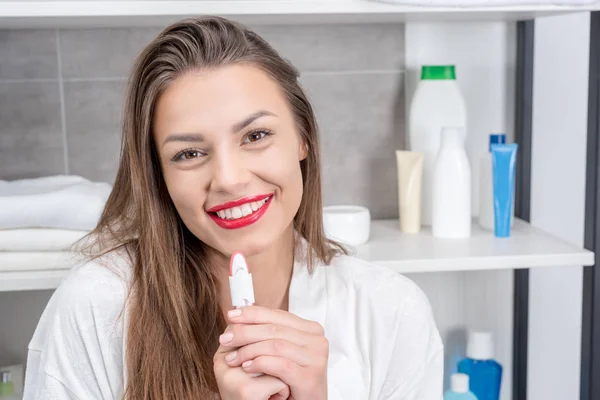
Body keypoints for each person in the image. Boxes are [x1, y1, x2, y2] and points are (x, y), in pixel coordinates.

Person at [23, 16, 443, 400]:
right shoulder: (97, 306)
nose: (228, 178)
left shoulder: (391, 312)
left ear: (302, 139)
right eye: (188, 154)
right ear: (159, 176)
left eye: (256, 135)